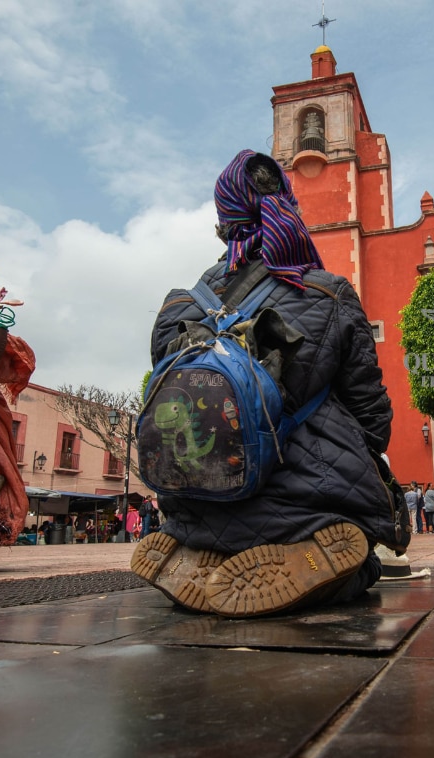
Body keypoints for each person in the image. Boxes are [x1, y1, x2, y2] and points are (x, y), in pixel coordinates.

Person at [130, 149, 409, 618]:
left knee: (210, 523)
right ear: (286, 206)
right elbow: (372, 420)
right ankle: (312, 558)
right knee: (364, 562)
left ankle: (195, 552)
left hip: (196, 505)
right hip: (309, 508)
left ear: (223, 221)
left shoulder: (178, 306)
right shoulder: (328, 293)